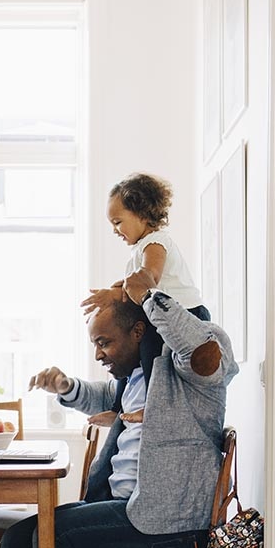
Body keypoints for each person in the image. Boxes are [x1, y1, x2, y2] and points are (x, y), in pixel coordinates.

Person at [0, 267, 238, 548]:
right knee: (17, 541)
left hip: (167, 525)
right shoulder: (136, 378)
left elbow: (205, 353)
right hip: (130, 511)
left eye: (105, 343)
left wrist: (150, 296)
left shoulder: (190, 367)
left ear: (140, 329)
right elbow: (105, 392)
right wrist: (66, 387)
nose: (100, 354)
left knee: (57, 536)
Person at [82, 172, 211, 428]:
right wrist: (113, 294)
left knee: (150, 348)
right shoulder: (138, 249)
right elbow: (132, 286)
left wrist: (115, 292)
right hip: (160, 315)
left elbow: (148, 277)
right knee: (129, 351)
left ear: (141, 213)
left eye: (118, 222)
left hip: (186, 315)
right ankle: (117, 406)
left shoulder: (155, 242)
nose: (114, 230)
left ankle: (152, 406)